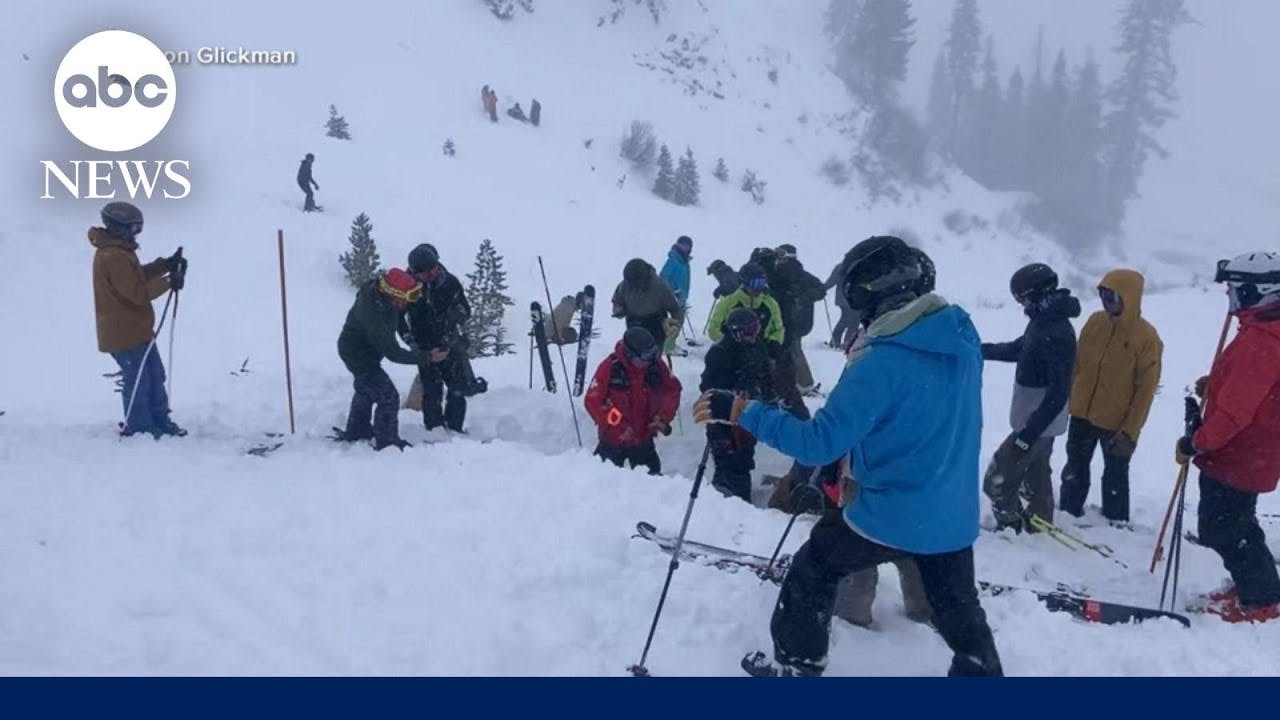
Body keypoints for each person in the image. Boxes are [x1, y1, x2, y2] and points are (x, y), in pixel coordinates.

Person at [694, 235, 1001, 677]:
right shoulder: (961, 337)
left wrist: (744, 411)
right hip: (951, 512)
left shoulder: (880, 363)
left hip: (891, 511)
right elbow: (917, 411)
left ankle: (797, 666)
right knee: (961, 615)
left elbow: (819, 443)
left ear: (866, 294)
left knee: (812, 572)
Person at [1178, 251, 1280, 623]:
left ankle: (1261, 600)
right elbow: (1253, 389)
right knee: (1237, 523)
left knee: (1224, 529)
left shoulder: (1262, 341)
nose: (1230, 299)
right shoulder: (1263, 330)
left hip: (1239, 453)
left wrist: (1198, 442)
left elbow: (1237, 412)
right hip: (1251, 451)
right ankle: (1254, 586)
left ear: (1258, 292)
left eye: (1235, 291)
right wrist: (1217, 385)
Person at [981, 263, 1080, 533]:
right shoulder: (1044, 322)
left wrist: (1028, 435)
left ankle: (1011, 526)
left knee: (997, 479)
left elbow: (1059, 391)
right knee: (1037, 477)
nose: (1021, 305)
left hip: (1037, 423)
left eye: (1022, 299)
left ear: (1037, 295)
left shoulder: (1056, 331)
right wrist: (979, 350)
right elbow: (1020, 349)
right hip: (1039, 422)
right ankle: (1040, 525)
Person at [1059, 269, 1163, 523]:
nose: (1107, 304)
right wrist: (1069, 397)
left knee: (1115, 475)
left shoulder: (1147, 338)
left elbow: (1145, 391)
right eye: (1104, 297)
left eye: (1113, 298)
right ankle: (1068, 513)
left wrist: (1130, 430)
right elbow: (1077, 363)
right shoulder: (1095, 322)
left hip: (1116, 422)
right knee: (1075, 467)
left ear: (1129, 298)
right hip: (1082, 412)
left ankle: (1116, 523)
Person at [90, 201, 188, 438]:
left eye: (138, 229)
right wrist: (168, 281)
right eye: (132, 229)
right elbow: (136, 292)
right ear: (117, 228)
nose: (136, 235)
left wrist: (164, 266)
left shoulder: (120, 252)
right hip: (123, 333)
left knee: (155, 374)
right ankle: (141, 427)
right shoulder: (112, 256)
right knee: (139, 380)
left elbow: (137, 276)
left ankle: (159, 420)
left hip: (138, 330)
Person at [337, 268, 430, 450]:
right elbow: (393, 353)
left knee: (366, 389)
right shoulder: (375, 315)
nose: (410, 301)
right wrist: (425, 358)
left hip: (364, 351)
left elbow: (398, 319)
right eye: (409, 296)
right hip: (357, 355)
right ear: (394, 294)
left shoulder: (384, 299)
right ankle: (387, 441)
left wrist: (409, 338)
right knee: (388, 396)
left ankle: (358, 429)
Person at [401, 243, 484, 434]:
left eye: (434, 268)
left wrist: (457, 317)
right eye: (426, 272)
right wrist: (411, 342)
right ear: (415, 272)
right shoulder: (408, 289)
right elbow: (399, 319)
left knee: (457, 389)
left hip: (449, 341)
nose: (432, 274)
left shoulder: (450, 282)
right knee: (431, 390)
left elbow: (465, 308)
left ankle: (455, 429)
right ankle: (434, 430)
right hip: (424, 345)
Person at [700, 307, 776, 502]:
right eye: (751, 331)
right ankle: (730, 501)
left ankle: (736, 500)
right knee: (727, 460)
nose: (755, 334)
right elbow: (708, 386)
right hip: (723, 418)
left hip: (748, 413)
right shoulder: (720, 352)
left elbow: (765, 375)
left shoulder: (757, 347)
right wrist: (732, 389)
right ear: (737, 332)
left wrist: (769, 397)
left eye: (757, 329)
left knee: (743, 458)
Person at [584, 328, 682, 475]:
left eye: (650, 357)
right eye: (641, 359)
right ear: (629, 354)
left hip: (643, 438)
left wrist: (662, 417)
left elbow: (673, 390)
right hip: (613, 439)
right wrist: (617, 425)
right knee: (601, 478)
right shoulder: (611, 367)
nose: (645, 363)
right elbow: (592, 400)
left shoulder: (656, 366)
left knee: (653, 479)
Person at [773, 243, 826, 394]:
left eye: (781, 254)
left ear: (790, 256)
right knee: (786, 349)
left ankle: (805, 384)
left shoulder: (800, 275)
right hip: (783, 317)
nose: (778, 257)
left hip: (797, 319)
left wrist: (803, 297)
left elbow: (821, 290)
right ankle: (793, 381)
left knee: (793, 347)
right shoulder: (776, 272)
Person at [611, 258, 682, 353]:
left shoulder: (659, 287)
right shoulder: (624, 286)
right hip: (633, 326)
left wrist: (675, 326)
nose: (631, 286)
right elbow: (618, 302)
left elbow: (675, 309)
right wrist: (619, 310)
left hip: (655, 327)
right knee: (632, 359)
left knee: (652, 360)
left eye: (634, 283)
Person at [659, 235, 693, 354]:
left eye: (687, 246)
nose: (685, 249)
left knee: (679, 320)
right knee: (674, 322)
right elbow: (663, 277)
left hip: (681, 297)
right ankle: (667, 347)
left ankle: (670, 344)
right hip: (672, 297)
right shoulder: (673, 260)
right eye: (682, 246)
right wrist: (671, 291)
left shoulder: (685, 262)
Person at [824, 259, 858, 349]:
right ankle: (847, 343)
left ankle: (837, 341)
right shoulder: (845, 267)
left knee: (846, 320)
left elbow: (832, 280)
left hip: (846, 299)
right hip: (849, 299)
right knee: (852, 321)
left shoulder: (841, 266)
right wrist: (823, 288)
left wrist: (823, 288)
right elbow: (832, 280)